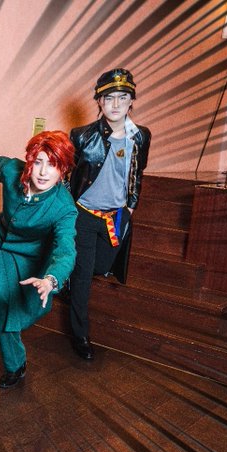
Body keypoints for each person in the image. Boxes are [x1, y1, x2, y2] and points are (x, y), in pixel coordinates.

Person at [0, 131, 77, 388]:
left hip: (32, 256)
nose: (43, 172)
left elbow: (66, 250)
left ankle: (16, 362)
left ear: (63, 170)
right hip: (0, 242)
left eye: (52, 165)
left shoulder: (64, 207)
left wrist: (51, 280)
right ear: (30, 161)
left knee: (18, 307)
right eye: (38, 162)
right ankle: (15, 365)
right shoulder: (12, 170)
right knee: (2, 301)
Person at [67, 68, 151, 360]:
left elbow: (137, 173)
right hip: (84, 213)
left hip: (117, 215)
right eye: (109, 98)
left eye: (123, 97)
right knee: (82, 277)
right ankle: (81, 336)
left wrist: (130, 206)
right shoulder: (81, 136)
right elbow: (68, 176)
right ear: (99, 101)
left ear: (131, 101)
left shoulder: (141, 137)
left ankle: (69, 275)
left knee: (100, 266)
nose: (116, 104)